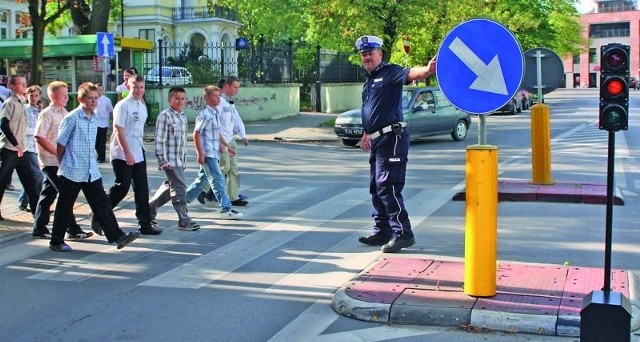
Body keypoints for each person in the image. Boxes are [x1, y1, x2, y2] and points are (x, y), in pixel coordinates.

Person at [355, 35, 436, 253]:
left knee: (388, 186)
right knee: (376, 187)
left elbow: (410, 73)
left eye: (371, 53)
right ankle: (382, 230)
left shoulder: (390, 72)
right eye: (363, 54)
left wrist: (427, 70)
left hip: (393, 137)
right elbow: (371, 109)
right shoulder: (369, 81)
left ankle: (403, 233)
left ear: (380, 54)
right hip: (377, 139)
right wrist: (366, 133)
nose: (367, 57)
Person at [49, 82, 140, 251]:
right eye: (89, 98)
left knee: (102, 203)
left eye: (95, 98)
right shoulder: (72, 118)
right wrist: (62, 165)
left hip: (90, 170)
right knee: (65, 206)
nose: (93, 101)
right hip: (72, 170)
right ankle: (56, 241)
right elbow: (60, 145)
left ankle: (116, 236)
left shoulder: (95, 118)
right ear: (80, 99)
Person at [96, 75, 162, 235]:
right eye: (135, 87)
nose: (139, 90)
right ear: (128, 87)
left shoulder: (141, 104)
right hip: (122, 153)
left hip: (138, 150)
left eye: (141, 87)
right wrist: (127, 153)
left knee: (142, 189)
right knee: (122, 187)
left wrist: (136, 152)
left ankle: (145, 224)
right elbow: (119, 129)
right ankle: (99, 214)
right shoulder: (123, 105)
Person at [33, 81, 93, 240]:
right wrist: (57, 152)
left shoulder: (64, 112)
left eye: (67, 94)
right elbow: (39, 137)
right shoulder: (47, 114)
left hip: (61, 161)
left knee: (48, 194)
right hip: (51, 162)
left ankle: (39, 226)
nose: (67, 97)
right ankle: (72, 229)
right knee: (66, 195)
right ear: (53, 96)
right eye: (63, 94)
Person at [185, 85, 243, 220]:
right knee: (218, 180)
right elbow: (196, 134)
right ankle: (226, 209)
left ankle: (181, 202)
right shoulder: (204, 115)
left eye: (219, 96)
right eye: (215, 96)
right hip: (207, 154)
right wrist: (200, 153)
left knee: (201, 181)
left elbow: (217, 133)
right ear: (207, 98)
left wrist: (227, 146)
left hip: (214, 152)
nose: (218, 99)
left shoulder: (216, 113)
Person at [149, 86, 200, 231]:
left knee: (170, 187)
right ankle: (183, 220)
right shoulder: (165, 116)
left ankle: (148, 211)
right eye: (176, 98)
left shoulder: (182, 116)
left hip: (179, 159)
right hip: (170, 160)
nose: (180, 101)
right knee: (180, 188)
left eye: (182, 99)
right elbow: (159, 140)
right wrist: (162, 160)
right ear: (169, 99)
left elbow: (182, 140)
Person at [0, 75, 40, 221]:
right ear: (12, 86)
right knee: (2, 181)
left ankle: (38, 214)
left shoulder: (23, 102)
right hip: (10, 149)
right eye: (20, 84)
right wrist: (16, 143)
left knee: (30, 182)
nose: (24, 86)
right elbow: (4, 124)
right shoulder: (10, 103)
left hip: (22, 149)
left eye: (24, 83)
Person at [218, 75, 249, 206]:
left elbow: (236, 120)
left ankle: (233, 196)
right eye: (235, 87)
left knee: (233, 170)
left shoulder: (230, 103)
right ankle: (205, 189)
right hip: (222, 140)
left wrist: (243, 135)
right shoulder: (219, 102)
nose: (237, 90)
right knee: (224, 168)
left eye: (238, 88)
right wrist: (218, 141)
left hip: (231, 139)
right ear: (227, 86)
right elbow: (214, 123)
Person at [17, 85, 45, 212]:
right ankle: (35, 203)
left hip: (38, 147)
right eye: (31, 96)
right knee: (38, 175)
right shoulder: (24, 109)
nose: (33, 98)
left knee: (29, 176)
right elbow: (22, 128)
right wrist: (36, 132)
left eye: (36, 96)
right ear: (26, 96)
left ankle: (24, 201)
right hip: (27, 146)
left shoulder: (39, 110)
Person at [95, 82, 113, 163]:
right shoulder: (93, 99)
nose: (98, 91)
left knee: (102, 142)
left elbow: (111, 111)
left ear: (103, 91)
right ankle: (97, 154)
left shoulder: (106, 100)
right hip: (94, 123)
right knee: (95, 142)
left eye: (100, 90)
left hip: (103, 124)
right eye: (97, 90)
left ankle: (101, 157)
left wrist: (113, 121)